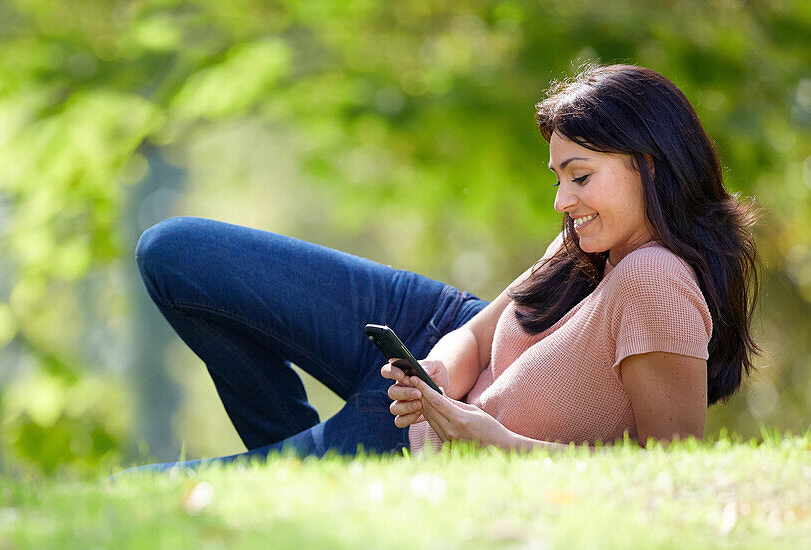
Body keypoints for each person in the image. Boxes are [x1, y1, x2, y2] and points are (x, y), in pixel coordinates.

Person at [128, 63, 758, 471]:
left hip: (426, 441)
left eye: (581, 177)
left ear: (650, 164)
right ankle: (296, 465)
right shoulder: (587, 245)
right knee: (175, 253)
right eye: (559, 177)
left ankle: (307, 475)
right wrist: (437, 368)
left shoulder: (656, 279)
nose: (563, 202)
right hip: (427, 351)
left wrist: (489, 442)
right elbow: (482, 331)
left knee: (141, 488)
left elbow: (669, 474)